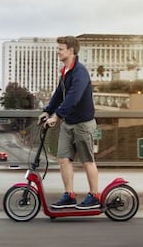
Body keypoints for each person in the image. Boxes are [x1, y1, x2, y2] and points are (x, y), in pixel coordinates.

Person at [38, 35, 99, 210]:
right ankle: (69, 195)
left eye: (60, 49)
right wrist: (47, 110)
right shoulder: (65, 71)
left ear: (71, 50)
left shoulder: (80, 72)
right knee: (63, 158)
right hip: (69, 123)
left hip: (83, 124)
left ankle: (94, 195)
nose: (57, 52)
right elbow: (59, 93)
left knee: (87, 160)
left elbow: (73, 97)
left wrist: (56, 116)